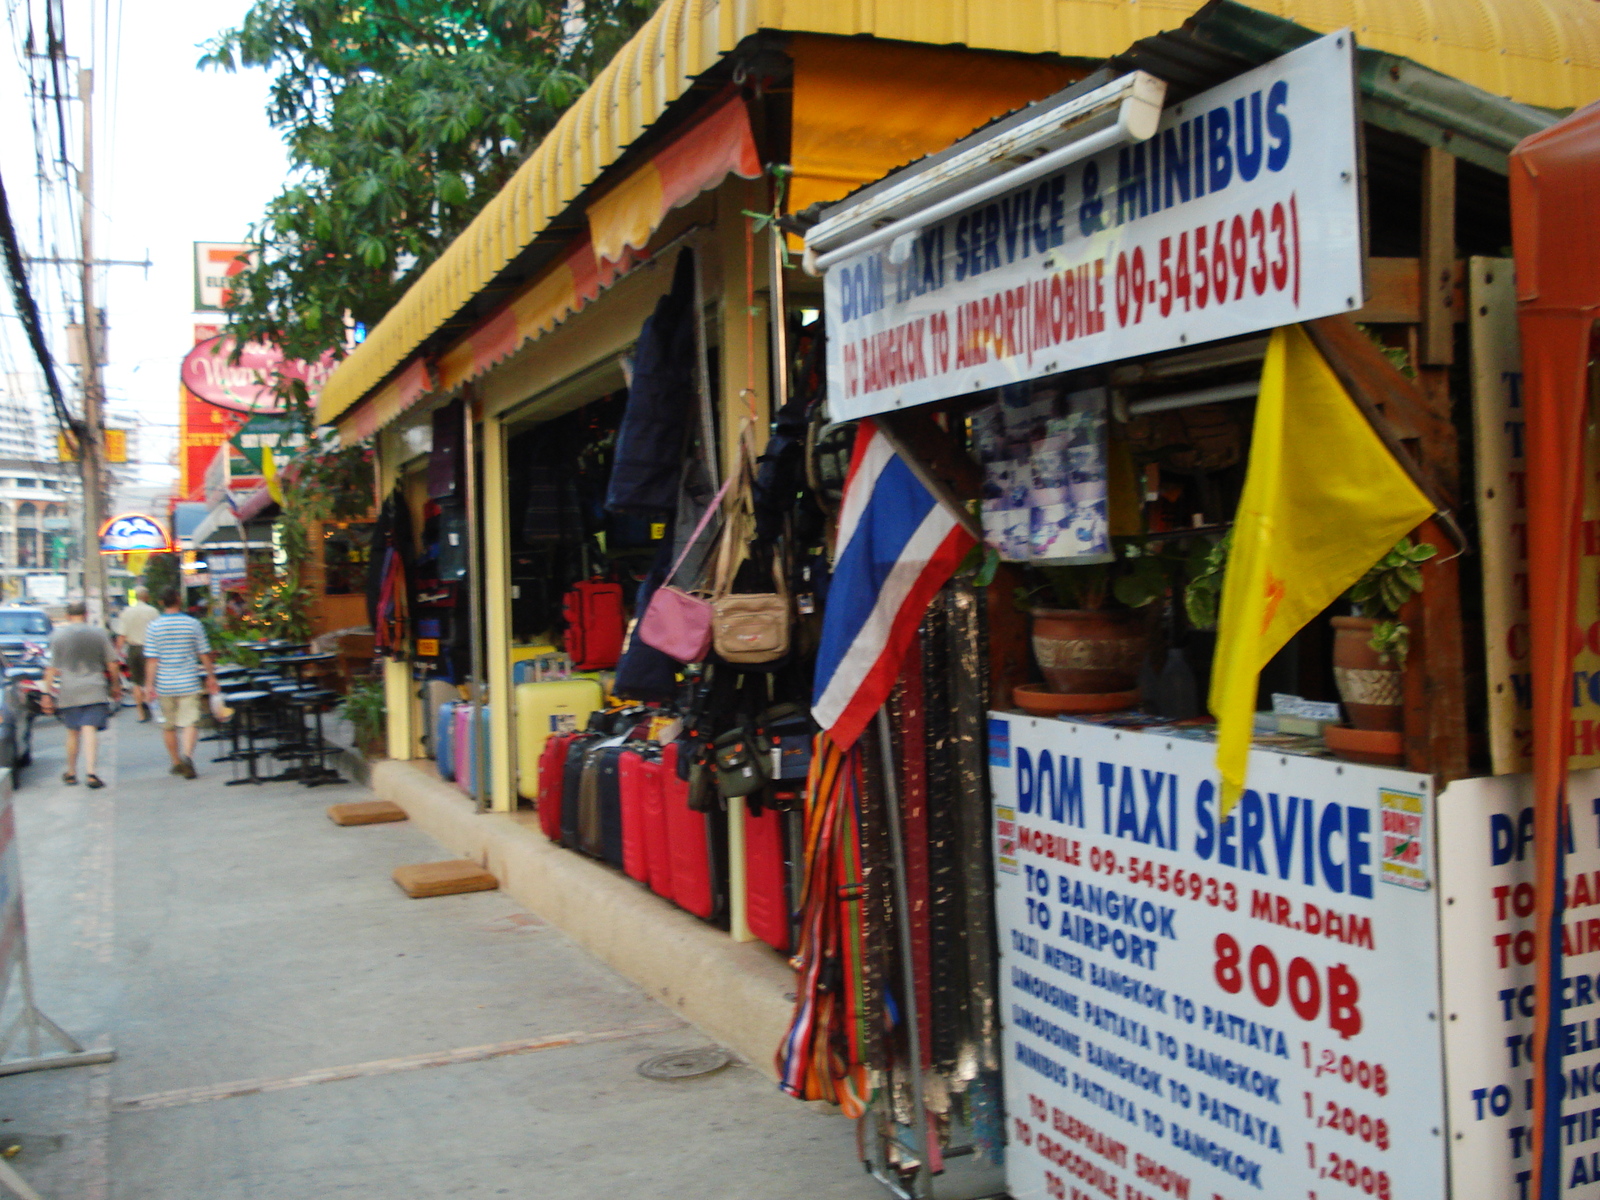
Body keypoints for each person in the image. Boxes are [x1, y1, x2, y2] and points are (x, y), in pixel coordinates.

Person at [42, 600, 121, 788]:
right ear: (86, 615)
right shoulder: (100, 634)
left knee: (72, 732)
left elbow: (51, 668)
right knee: (90, 729)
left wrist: (46, 693)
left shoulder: (57, 636)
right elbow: (112, 663)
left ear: (68, 616)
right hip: (95, 687)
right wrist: (116, 685)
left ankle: (71, 771)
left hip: (69, 690)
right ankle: (91, 773)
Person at [144, 587, 219, 780]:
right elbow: (203, 653)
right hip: (189, 682)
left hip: (164, 684)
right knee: (190, 722)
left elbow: (152, 660)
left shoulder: (154, 627)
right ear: (178, 599)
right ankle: (187, 756)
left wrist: (149, 686)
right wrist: (211, 677)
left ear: (161, 603)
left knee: (168, 726)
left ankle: (176, 762)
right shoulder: (193, 624)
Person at [113, 586, 161, 722]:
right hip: (151, 649)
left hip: (133, 649)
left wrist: (117, 652)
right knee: (152, 680)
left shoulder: (127, 612)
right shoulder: (153, 611)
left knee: (136, 682)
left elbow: (121, 635)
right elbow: (158, 632)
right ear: (147, 597)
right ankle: (154, 709)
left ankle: (141, 713)